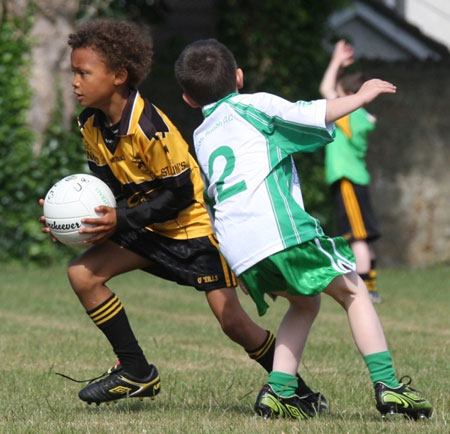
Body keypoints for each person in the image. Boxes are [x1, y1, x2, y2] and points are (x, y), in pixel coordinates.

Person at [38, 19, 326, 412]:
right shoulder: (90, 124)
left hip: (193, 232)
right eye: (74, 72)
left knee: (234, 325)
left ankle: (295, 392)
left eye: (83, 72)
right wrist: (74, 222)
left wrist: (119, 220)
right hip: (146, 227)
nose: (74, 81)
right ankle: (136, 370)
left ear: (119, 76)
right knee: (83, 275)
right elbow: (107, 191)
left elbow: (180, 194)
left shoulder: (150, 127)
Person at [174, 38, 433, 420]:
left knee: (305, 302)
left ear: (188, 100)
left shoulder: (202, 134)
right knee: (354, 291)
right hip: (278, 233)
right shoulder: (253, 105)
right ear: (239, 77)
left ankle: (279, 390)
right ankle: (389, 386)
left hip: (238, 249)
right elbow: (312, 112)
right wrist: (360, 97)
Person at [319, 40, 382, 303]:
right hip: (357, 179)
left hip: (347, 180)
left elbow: (325, 89)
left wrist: (335, 61)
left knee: (356, 235)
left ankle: (367, 287)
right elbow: (333, 90)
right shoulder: (363, 116)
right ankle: (370, 282)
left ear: (348, 96)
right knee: (361, 234)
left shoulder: (349, 114)